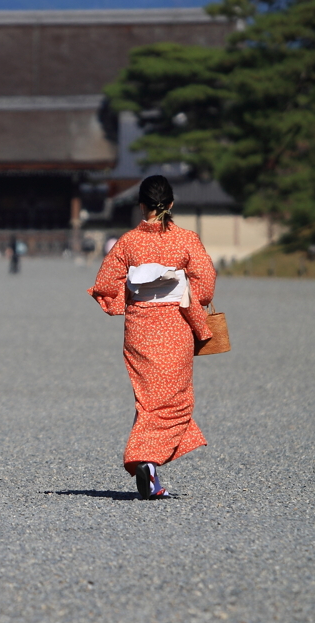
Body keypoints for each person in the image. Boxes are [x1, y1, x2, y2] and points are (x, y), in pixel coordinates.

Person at [88, 175, 216, 500]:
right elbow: (205, 282)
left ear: (141, 205)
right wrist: (185, 292)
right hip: (174, 327)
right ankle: (146, 458)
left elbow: (105, 284)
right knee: (176, 402)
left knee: (149, 400)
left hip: (141, 329)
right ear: (171, 205)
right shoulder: (186, 239)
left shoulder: (128, 242)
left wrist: (130, 299)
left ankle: (151, 470)